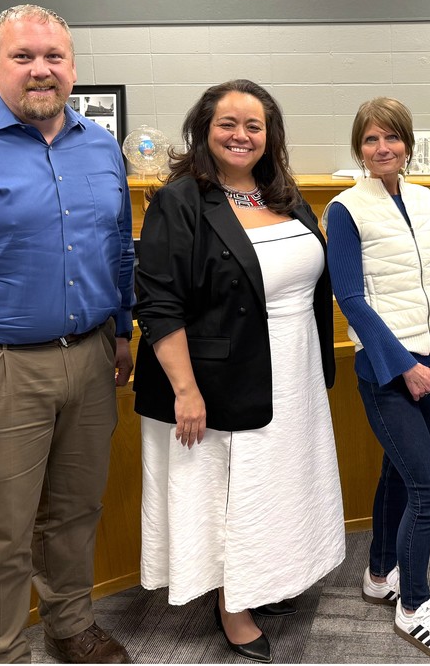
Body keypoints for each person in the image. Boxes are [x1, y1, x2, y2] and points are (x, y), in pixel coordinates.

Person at [0, 5, 134, 664]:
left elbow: (117, 248)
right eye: (23, 56)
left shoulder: (98, 144)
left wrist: (122, 331)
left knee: (74, 514)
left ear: (72, 66)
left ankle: (70, 626)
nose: (41, 69)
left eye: (54, 57)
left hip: (91, 359)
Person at [133, 79, 344, 663]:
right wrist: (186, 391)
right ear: (203, 130)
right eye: (228, 123)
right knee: (231, 494)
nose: (241, 135)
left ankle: (264, 578)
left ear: (270, 135)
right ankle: (233, 603)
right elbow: (158, 303)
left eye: (254, 125)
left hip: (292, 368)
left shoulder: (283, 194)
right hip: (219, 377)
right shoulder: (179, 200)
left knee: (276, 487)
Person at [323, 98, 430, 662]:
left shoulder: (424, 197)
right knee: (429, 490)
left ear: (406, 143)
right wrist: (402, 366)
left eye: (392, 139)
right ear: (359, 147)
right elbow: (351, 298)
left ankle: (379, 573)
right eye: (370, 140)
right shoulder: (344, 209)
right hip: (390, 374)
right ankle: (414, 606)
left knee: (397, 474)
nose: (382, 149)